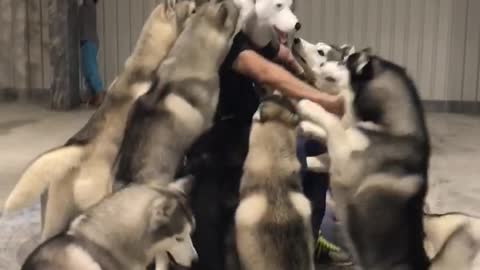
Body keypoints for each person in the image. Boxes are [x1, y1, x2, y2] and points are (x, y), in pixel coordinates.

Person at [182, 27, 345, 270]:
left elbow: (279, 58)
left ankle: (304, 245)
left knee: (303, 151)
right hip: (212, 141)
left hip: (240, 129)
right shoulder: (222, 28)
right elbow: (263, 70)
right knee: (215, 237)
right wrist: (324, 100)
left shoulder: (256, 32)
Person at [79, 0, 104, 107]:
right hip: (86, 41)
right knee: (86, 69)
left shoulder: (89, 4)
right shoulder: (87, 6)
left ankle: (100, 93)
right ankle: (92, 95)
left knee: (91, 68)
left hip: (89, 41)